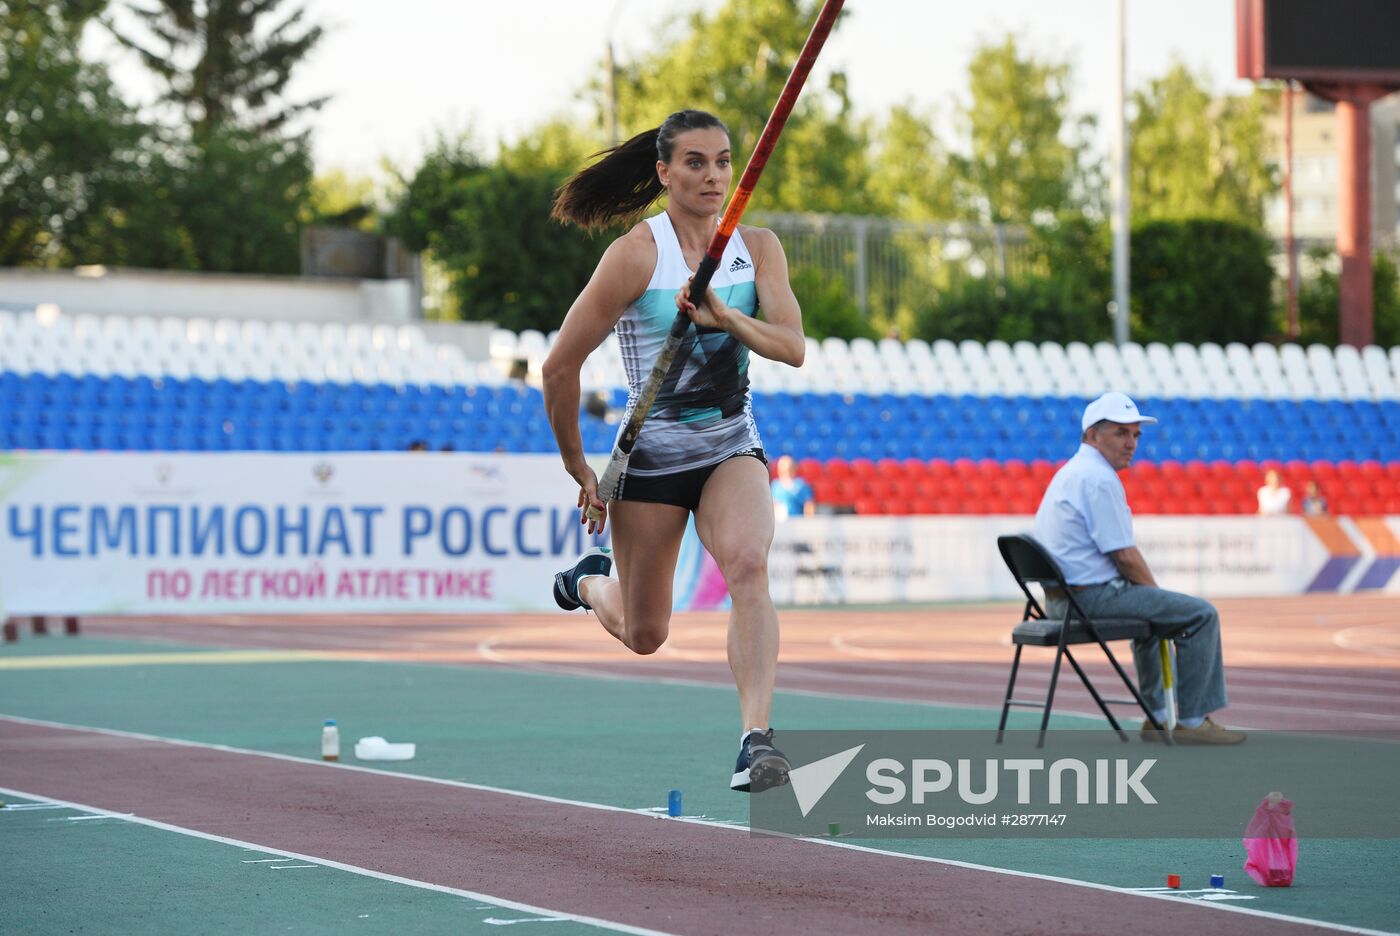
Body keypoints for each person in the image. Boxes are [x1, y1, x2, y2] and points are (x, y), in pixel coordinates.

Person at [541, 110, 806, 792]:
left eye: (722, 161)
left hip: (729, 442)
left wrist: (727, 318)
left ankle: (757, 740)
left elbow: (793, 348)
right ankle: (590, 581)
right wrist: (578, 465)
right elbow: (559, 367)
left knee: (749, 563)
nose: (713, 175)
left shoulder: (758, 247)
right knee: (644, 631)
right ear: (664, 172)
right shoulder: (637, 254)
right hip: (652, 456)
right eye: (695, 162)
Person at [1032, 391, 1244, 744]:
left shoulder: (1070, 472)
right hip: (1087, 600)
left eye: (1135, 435)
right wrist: (1156, 598)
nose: (1131, 443)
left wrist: (1151, 601)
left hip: (1059, 601)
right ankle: (1191, 721)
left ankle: (1157, 717)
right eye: (1120, 433)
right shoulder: (1097, 478)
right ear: (1092, 436)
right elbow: (1125, 557)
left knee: (1152, 617)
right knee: (1201, 614)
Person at [770, 454, 815, 520]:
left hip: (796, 521)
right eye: (782, 470)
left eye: (788, 469)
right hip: (780, 522)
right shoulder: (775, 485)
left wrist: (808, 521)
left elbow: (808, 504)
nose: (785, 473)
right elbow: (773, 504)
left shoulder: (801, 484)